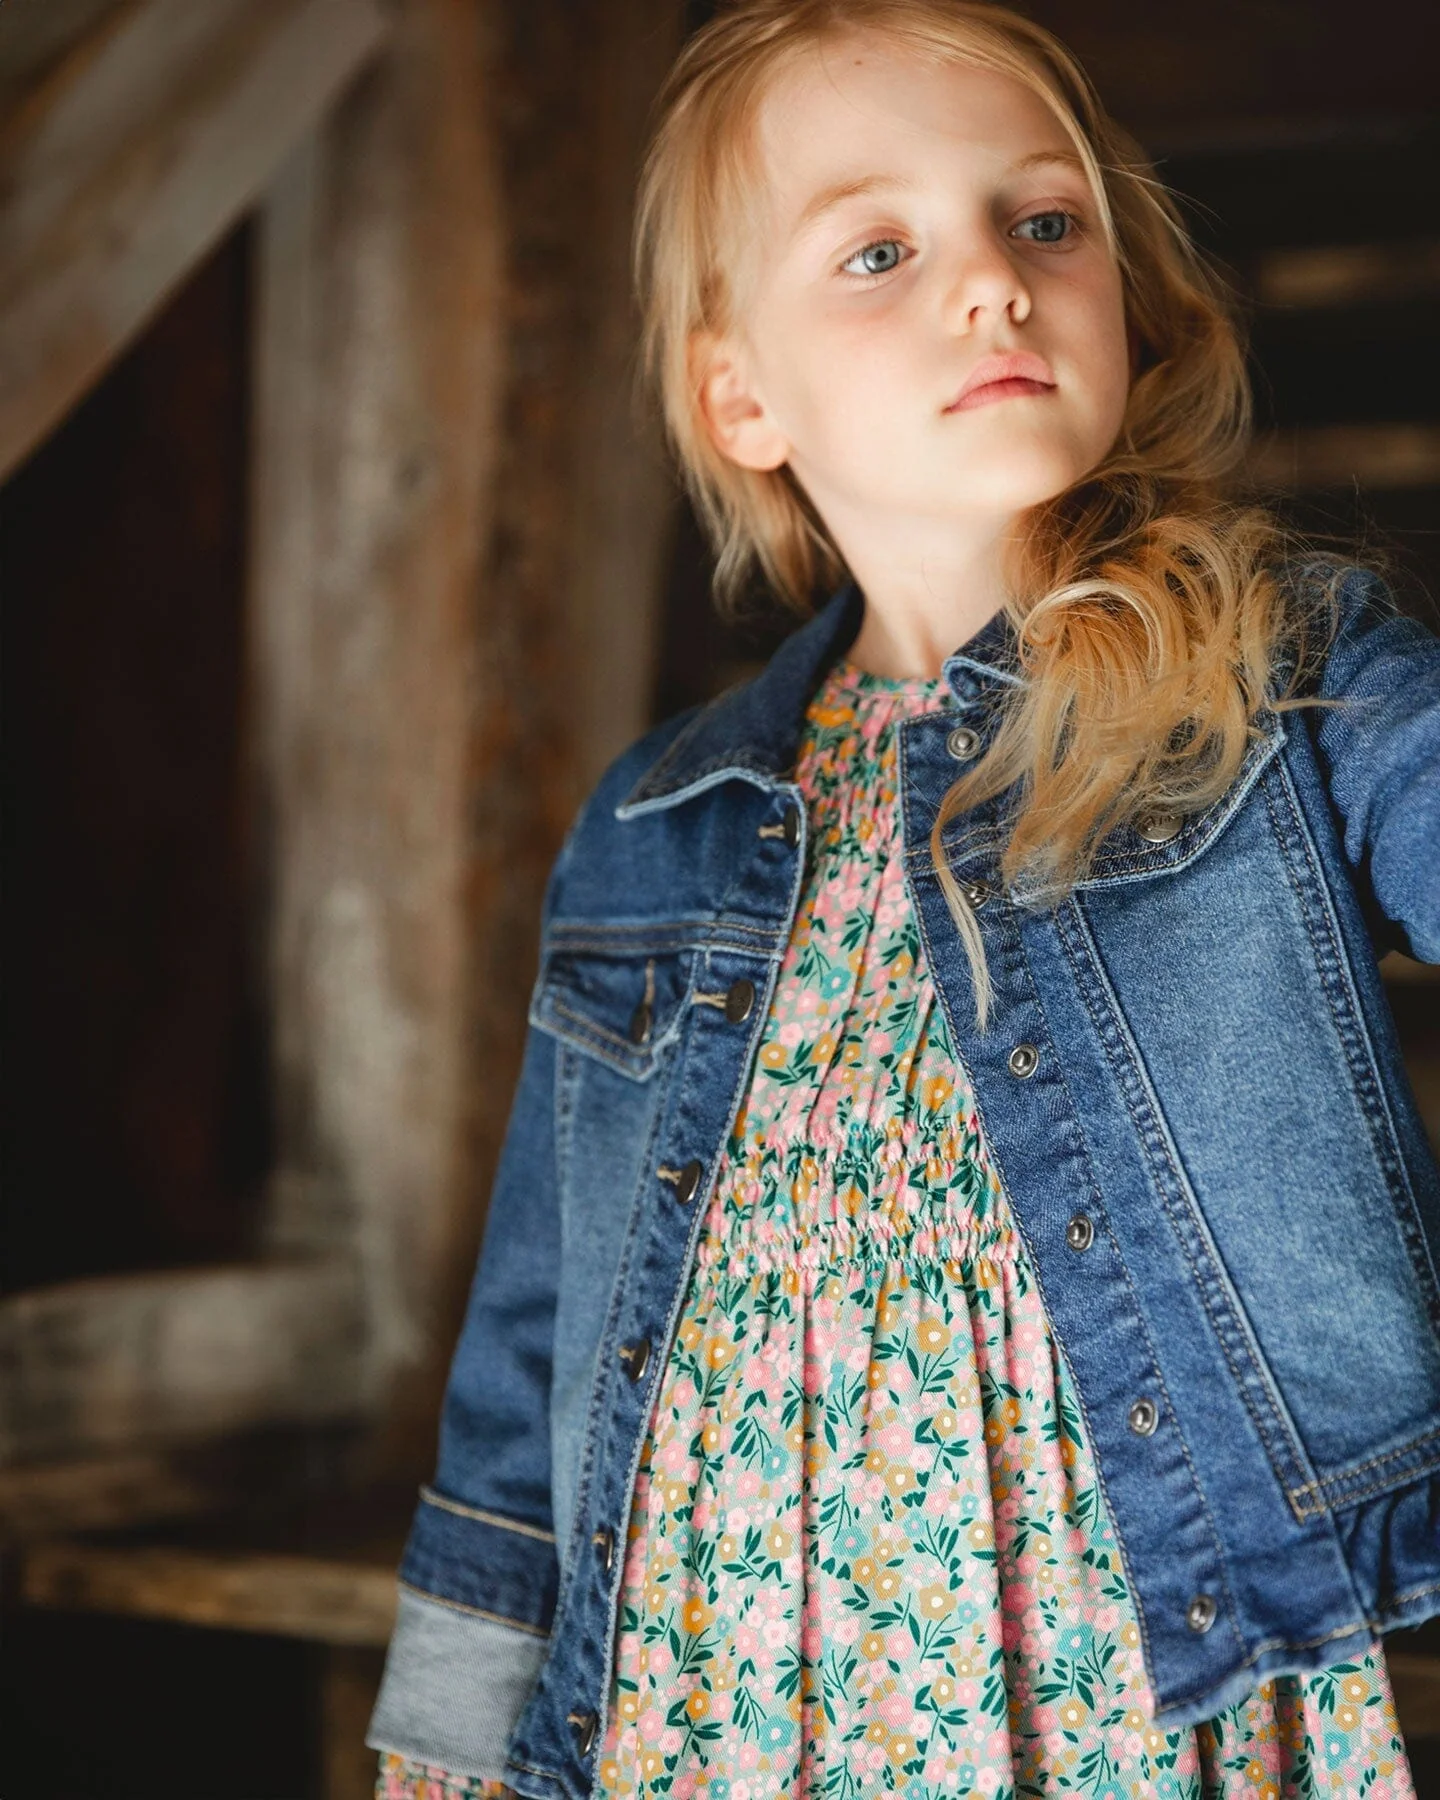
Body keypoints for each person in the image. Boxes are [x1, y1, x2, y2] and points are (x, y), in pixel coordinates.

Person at [369, 2, 1439, 1794]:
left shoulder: (1283, 677)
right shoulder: (662, 818)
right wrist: (454, 1735)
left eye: (1045, 222)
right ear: (741, 395)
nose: (994, 288)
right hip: (706, 1692)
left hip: (1140, 1672)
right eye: (882, 248)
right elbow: (536, 1328)